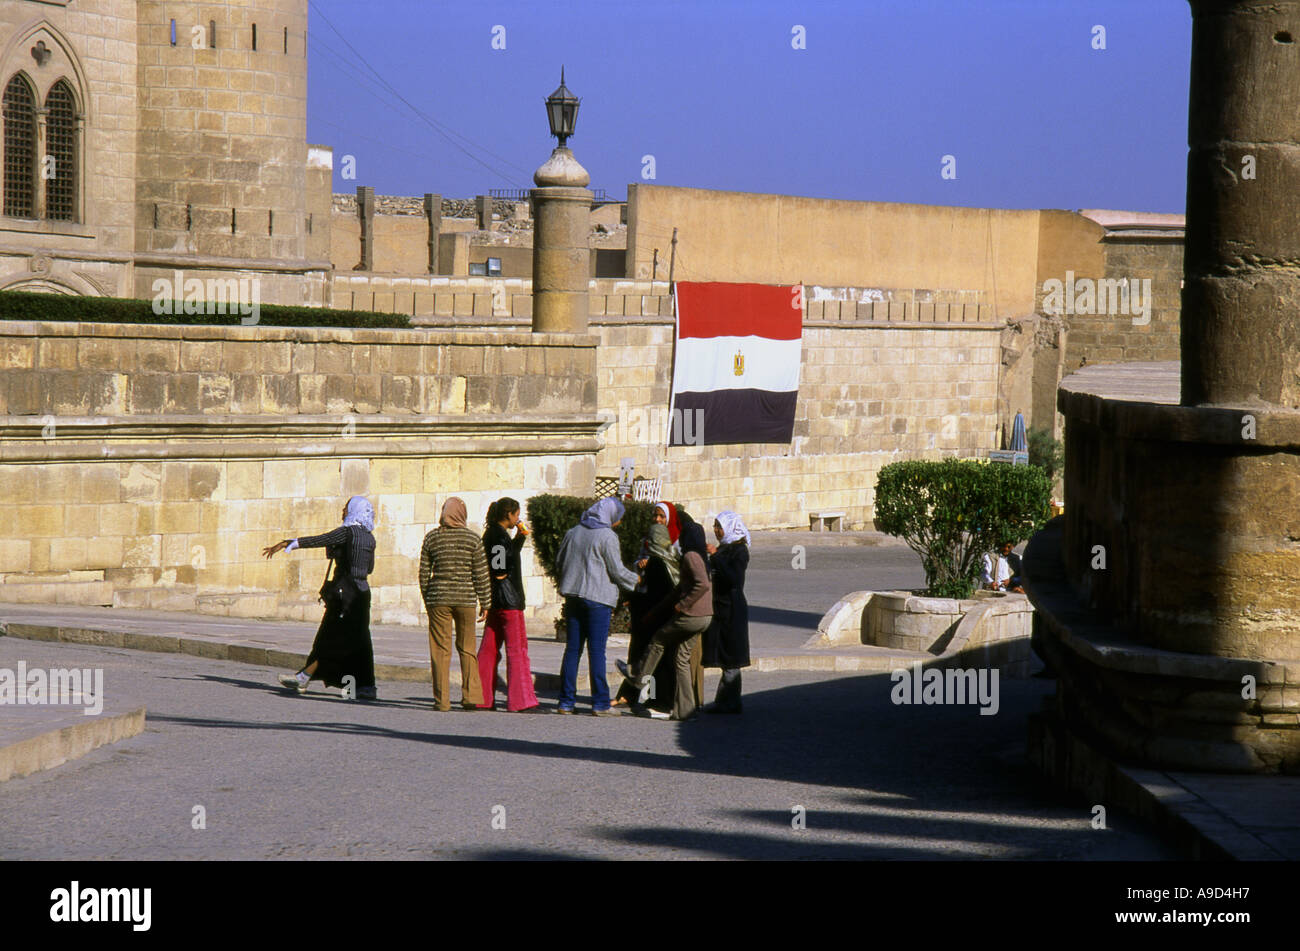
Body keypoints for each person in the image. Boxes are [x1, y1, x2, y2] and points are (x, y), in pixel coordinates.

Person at [264, 496, 378, 701]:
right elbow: (369, 568)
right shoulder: (369, 537)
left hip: (345, 596)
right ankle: (363, 688)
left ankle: (304, 676)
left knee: (330, 639)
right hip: (362, 595)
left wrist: (289, 543)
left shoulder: (347, 532)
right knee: (359, 642)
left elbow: (321, 539)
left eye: (346, 508)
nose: (342, 512)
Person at [553, 497, 641, 715]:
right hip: (598, 599)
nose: (618, 522)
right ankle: (600, 703)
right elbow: (616, 570)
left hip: (573, 595)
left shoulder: (573, 532)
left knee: (572, 650)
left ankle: (566, 702)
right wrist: (636, 580)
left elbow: (560, 562)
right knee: (597, 652)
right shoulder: (607, 536)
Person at [625, 513, 713, 721]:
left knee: (658, 641)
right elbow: (680, 588)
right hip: (704, 617)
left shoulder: (691, 556)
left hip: (691, 615)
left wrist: (682, 605)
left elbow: (702, 584)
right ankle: (685, 709)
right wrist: (659, 610)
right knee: (681, 660)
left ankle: (638, 678)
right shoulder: (701, 556)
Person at [418, 497, 491, 711]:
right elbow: (481, 573)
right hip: (466, 600)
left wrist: (428, 597)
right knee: (467, 648)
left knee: (440, 650)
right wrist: (486, 602)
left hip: (438, 599)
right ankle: (470, 697)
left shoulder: (432, 538)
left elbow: (423, 573)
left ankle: (442, 701)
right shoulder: (473, 539)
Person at [476, 498, 545, 713]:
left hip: (496, 601)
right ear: (508, 515)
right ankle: (521, 700)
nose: (518, 518)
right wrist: (503, 576)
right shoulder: (498, 535)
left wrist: (519, 538)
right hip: (509, 600)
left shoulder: (493, 533)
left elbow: (506, 554)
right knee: (518, 650)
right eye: (516, 514)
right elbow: (499, 565)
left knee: (489, 649)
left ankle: (481, 697)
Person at [613, 520, 680, 716]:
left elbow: (652, 595)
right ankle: (655, 700)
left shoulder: (656, 563)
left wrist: (631, 599)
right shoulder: (672, 559)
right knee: (663, 661)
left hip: (655, 617)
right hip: (668, 616)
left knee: (658, 661)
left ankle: (660, 703)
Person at [703, 510, 751, 714]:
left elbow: (735, 579)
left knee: (731, 656)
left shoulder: (740, 551)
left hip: (732, 607)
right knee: (724, 654)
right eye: (715, 526)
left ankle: (730, 702)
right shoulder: (725, 548)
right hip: (721, 606)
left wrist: (715, 556)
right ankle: (725, 701)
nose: (716, 530)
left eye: (719, 526)